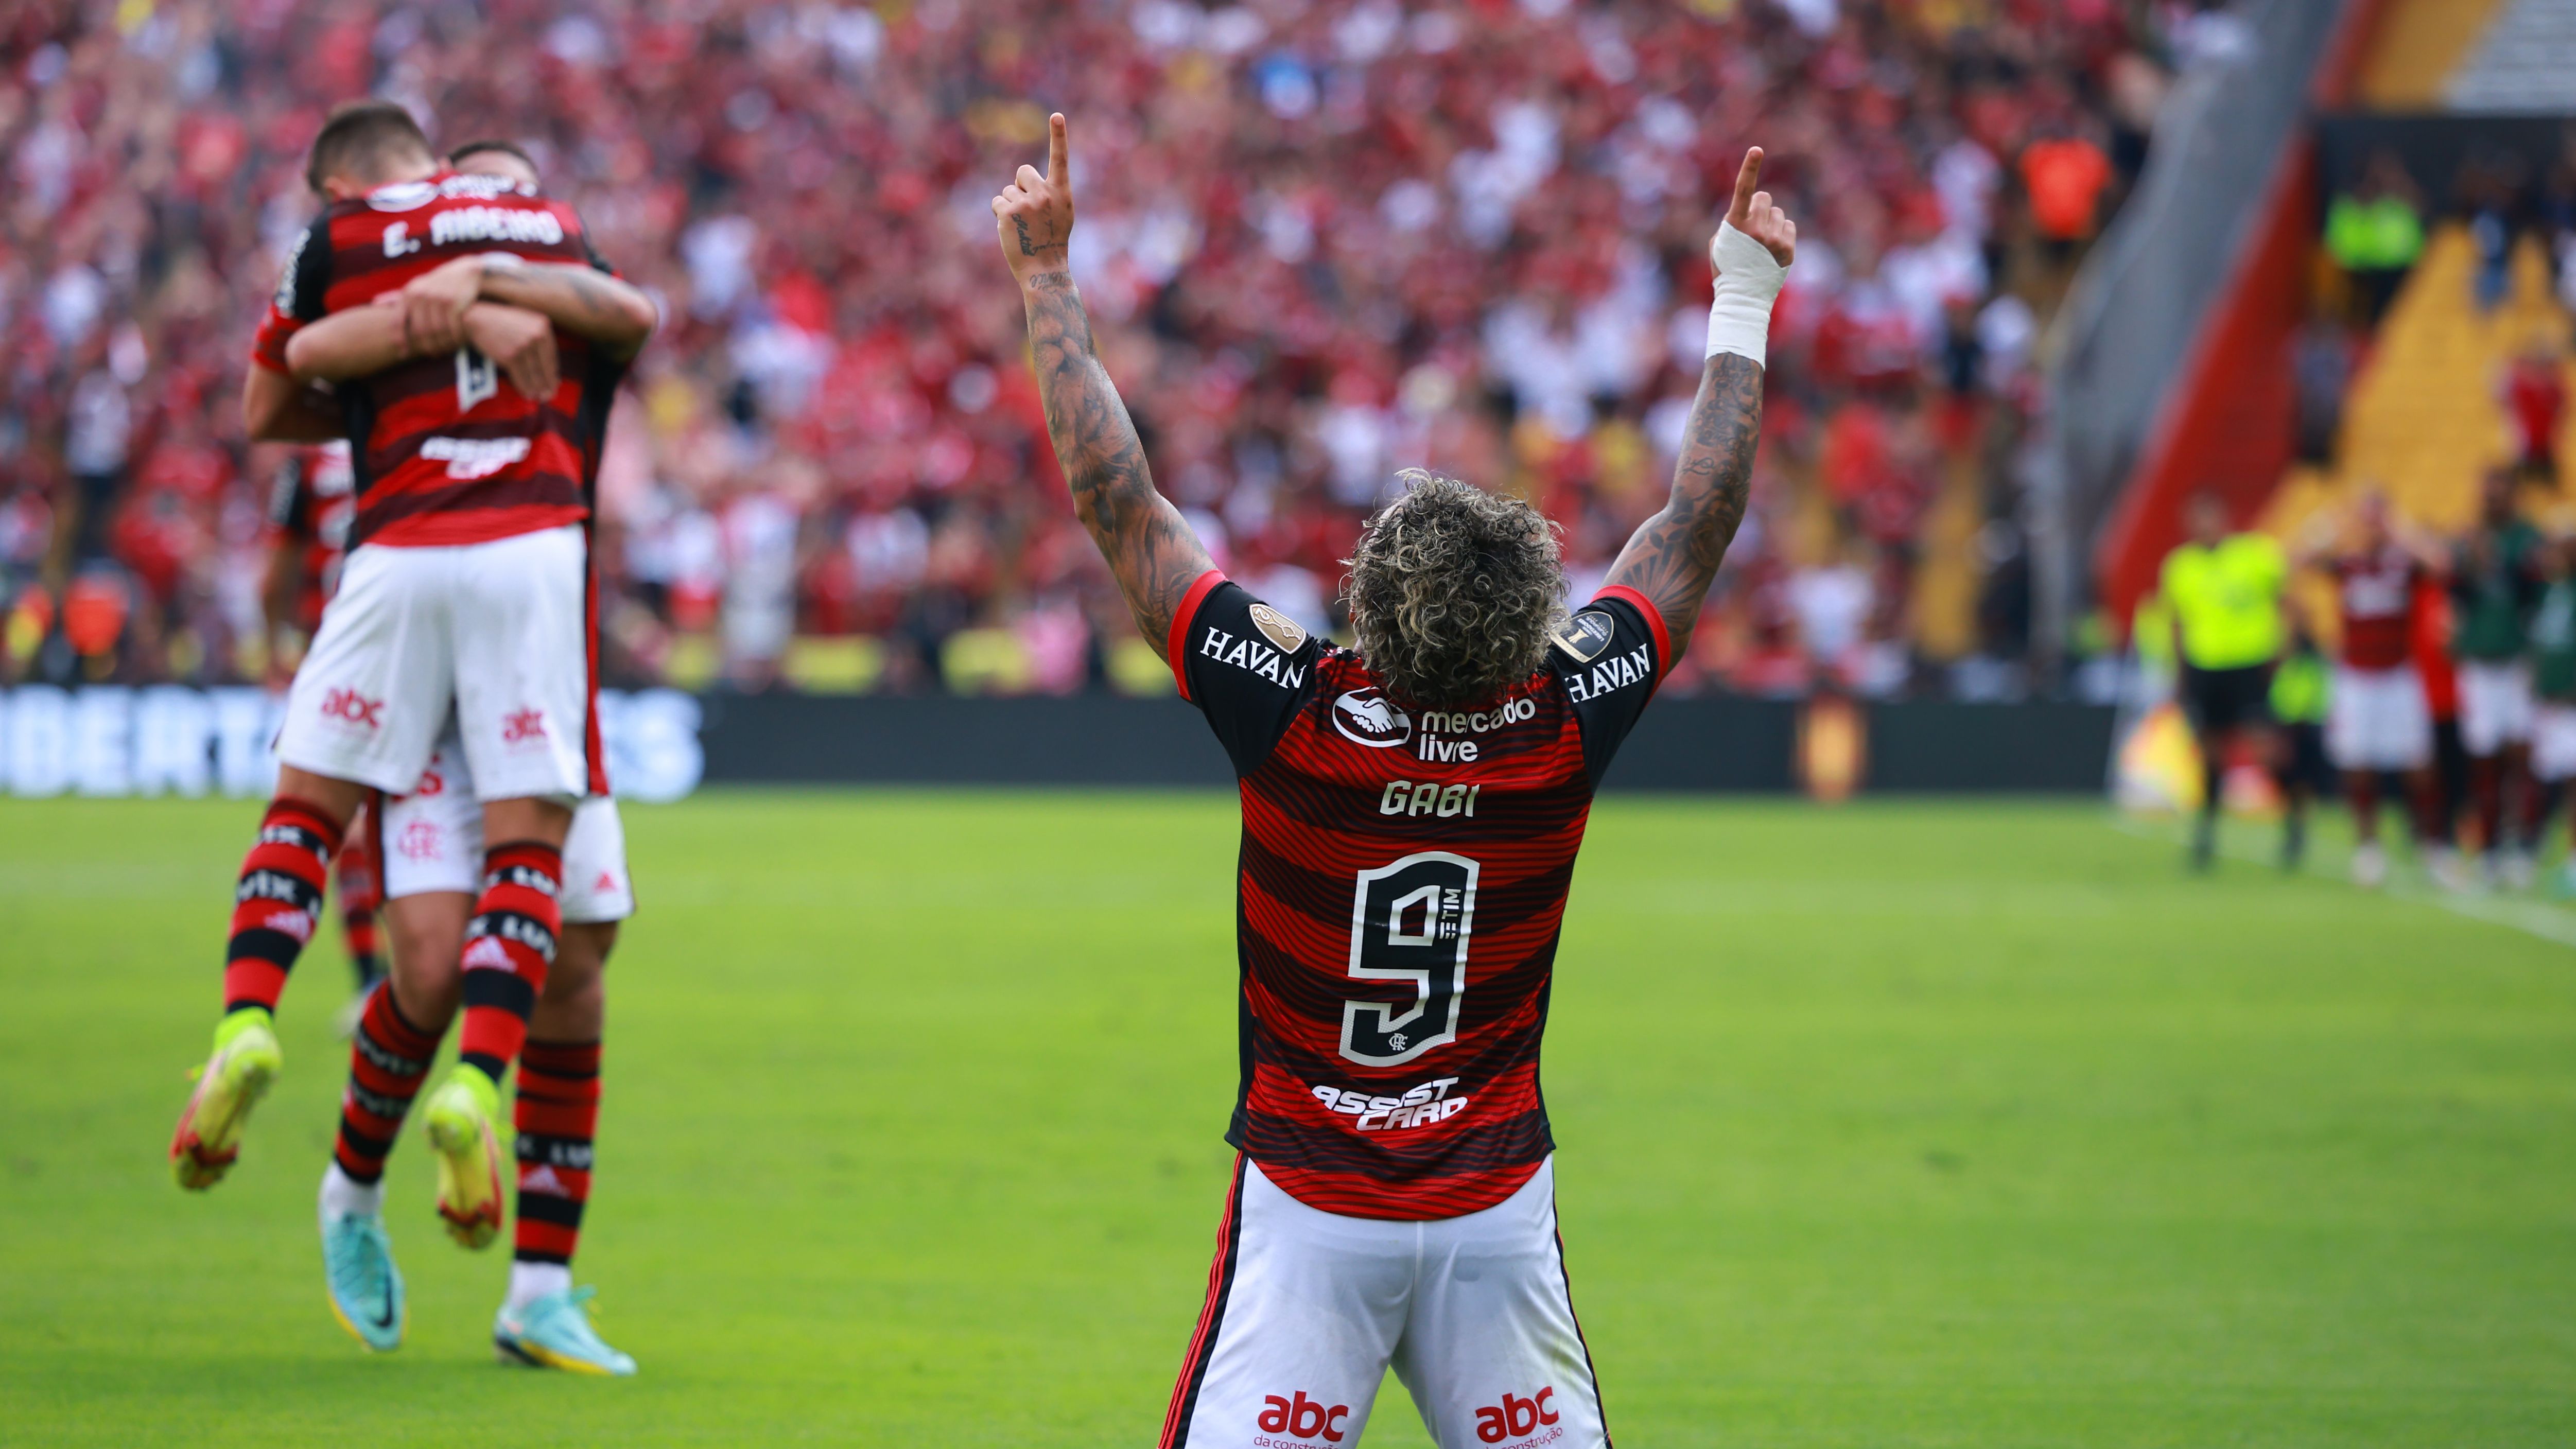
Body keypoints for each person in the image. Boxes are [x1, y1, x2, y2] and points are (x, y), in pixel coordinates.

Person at [996, 114, 1793, 1448]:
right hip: (1493, 1219)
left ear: (1370, 592)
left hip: (1309, 1216)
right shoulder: (1562, 712)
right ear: (1527, 613)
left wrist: (1045, 276)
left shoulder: (1294, 710)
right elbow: (1692, 523)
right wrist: (1744, 288)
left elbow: (1116, 497)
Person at [171, 99, 655, 1360]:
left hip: (540, 666)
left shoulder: (559, 310)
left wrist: (492, 287)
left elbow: (627, 313)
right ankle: (354, 1190)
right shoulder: (393, 340)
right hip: (467, 635)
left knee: (581, 968)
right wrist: (429, 315)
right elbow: (279, 401)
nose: (471, 204)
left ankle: (537, 1291)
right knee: (434, 969)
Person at [262, 440, 386, 1025]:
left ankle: (375, 981)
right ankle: (405, 975)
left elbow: (274, 575)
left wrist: (273, 646)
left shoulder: (304, 461)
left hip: (331, 656)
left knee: (336, 826)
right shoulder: (399, 428)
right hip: (406, 646)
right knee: (394, 818)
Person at [2301, 493, 2457, 889]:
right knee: (2358, 763)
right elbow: (2298, 560)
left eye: (2376, 519)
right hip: (2356, 677)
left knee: (2419, 763)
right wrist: (2329, 526)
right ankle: (2368, 848)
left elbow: (2441, 563)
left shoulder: (2402, 563)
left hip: (2398, 675)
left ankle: (2431, 844)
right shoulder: (2349, 564)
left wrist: (2400, 529)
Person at [2155, 491, 2288, 870]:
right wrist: (2179, 676)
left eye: (2209, 518)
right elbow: (2178, 623)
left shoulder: (2255, 556)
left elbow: (2285, 602)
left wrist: (2281, 652)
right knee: (2210, 753)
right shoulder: (2180, 566)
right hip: (2206, 668)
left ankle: (2293, 818)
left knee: (2266, 750)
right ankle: (2206, 833)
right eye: (2196, 520)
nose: (2203, 526)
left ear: (2225, 519)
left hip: (2250, 665)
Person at [2451, 469, 2544, 886]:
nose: (2492, 502)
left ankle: (2524, 843)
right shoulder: (2468, 538)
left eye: (2499, 494)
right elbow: (2457, 594)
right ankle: (2489, 846)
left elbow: (2533, 592)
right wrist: (2469, 562)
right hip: (2479, 663)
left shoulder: (2527, 539)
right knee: (2484, 758)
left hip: (2517, 661)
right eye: (2487, 494)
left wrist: (2498, 561)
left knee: (2521, 756)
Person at [2524, 536, 2576, 893]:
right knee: (2549, 780)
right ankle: (2544, 850)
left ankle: (2574, 859)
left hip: (2571, 702)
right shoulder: (2550, 592)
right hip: (2550, 702)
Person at [2269, 608, 2334, 870]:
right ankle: (2292, 824)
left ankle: (2297, 828)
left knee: (2303, 781)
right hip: (2286, 725)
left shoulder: (2312, 659)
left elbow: (2319, 691)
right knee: (2288, 780)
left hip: (2307, 725)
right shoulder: (2281, 660)